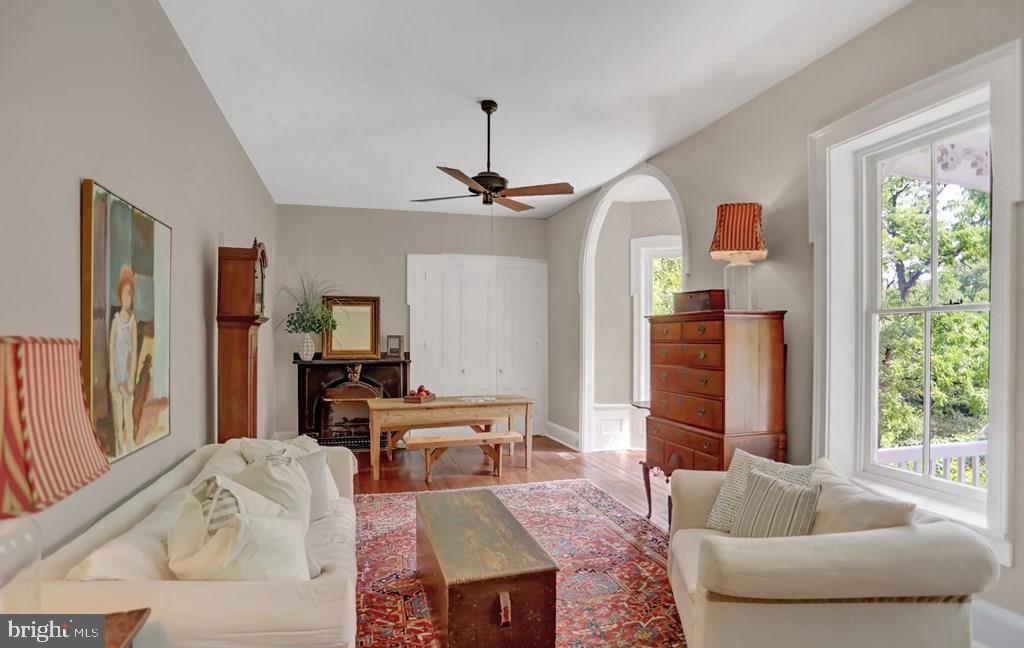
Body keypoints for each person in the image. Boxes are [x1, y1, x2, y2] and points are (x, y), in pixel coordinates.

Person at [109, 264, 138, 456]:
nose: (127, 298)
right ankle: (120, 450)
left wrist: (132, 377)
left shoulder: (132, 321)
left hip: (127, 376)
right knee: (118, 417)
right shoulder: (116, 320)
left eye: (130, 295)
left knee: (128, 415)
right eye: (124, 294)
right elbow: (111, 349)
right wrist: (112, 376)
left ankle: (130, 448)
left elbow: (134, 350)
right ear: (120, 295)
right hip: (116, 375)